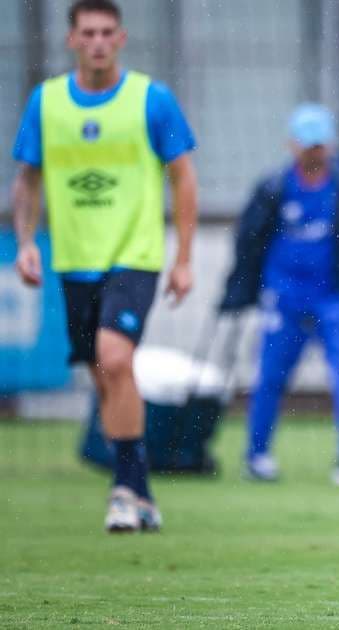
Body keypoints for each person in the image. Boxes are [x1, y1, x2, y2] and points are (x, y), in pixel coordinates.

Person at [10, 0, 197, 533]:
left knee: (116, 360)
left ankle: (123, 490)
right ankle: (140, 491)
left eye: (106, 32)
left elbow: (183, 177)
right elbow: (27, 178)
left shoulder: (152, 99)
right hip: (75, 260)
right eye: (87, 33)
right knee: (106, 378)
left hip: (134, 255)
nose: (97, 42)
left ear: (121, 39)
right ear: (71, 40)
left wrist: (183, 258)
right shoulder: (46, 102)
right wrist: (26, 242)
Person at [219, 103, 339, 487]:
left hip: (336, 296)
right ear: (292, 145)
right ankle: (257, 455)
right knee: (270, 376)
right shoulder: (272, 188)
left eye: (319, 145)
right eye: (307, 145)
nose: (314, 153)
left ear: (330, 145)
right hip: (284, 298)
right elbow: (247, 241)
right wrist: (242, 289)